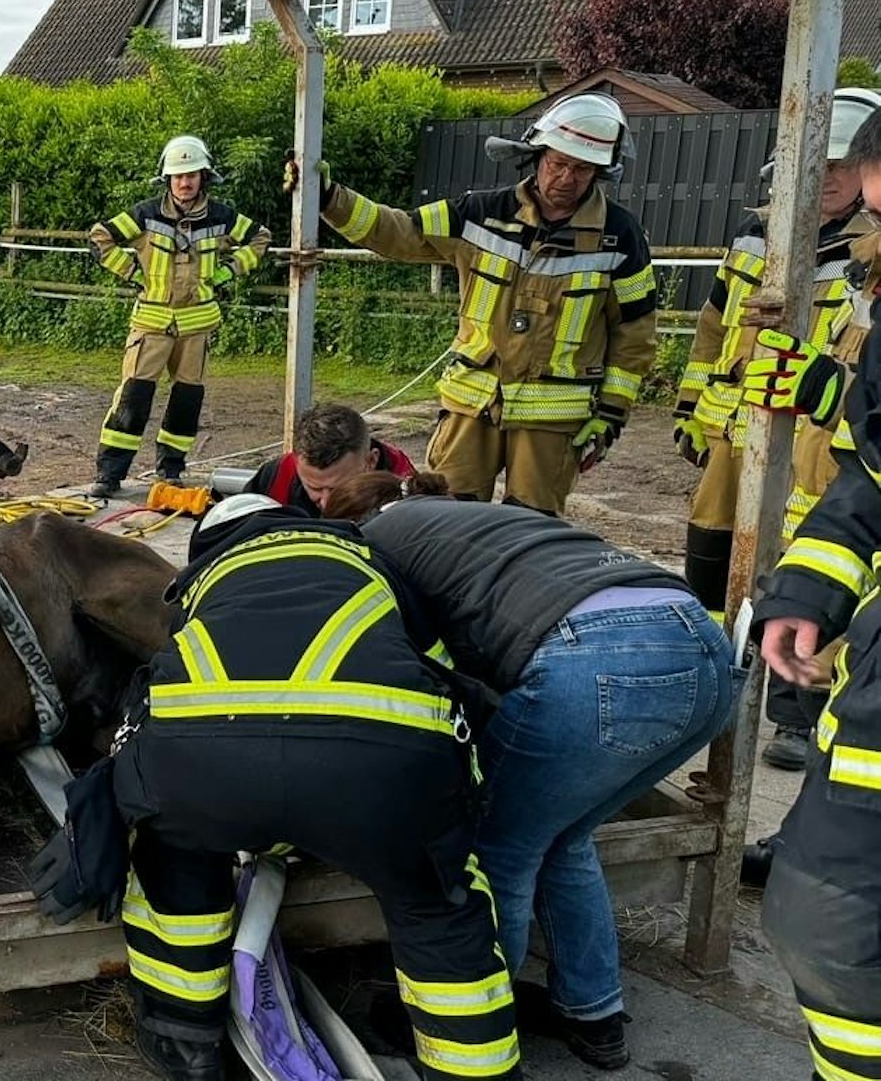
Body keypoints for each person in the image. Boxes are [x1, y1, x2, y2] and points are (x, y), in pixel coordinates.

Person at [94, 493, 517, 1081]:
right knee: (436, 902)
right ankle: (475, 1070)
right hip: (381, 768)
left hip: (206, 766)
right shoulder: (368, 559)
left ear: (208, 548)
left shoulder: (203, 581)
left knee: (173, 854)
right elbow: (442, 670)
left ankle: (185, 1045)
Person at [324, 472, 735, 1070]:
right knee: (562, 837)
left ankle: (474, 1034)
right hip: (700, 645)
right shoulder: (484, 520)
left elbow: (407, 664)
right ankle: (594, 1017)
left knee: (499, 849)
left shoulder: (376, 540)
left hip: (592, 658)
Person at [287, 94, 658, 516]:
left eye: (582, 168)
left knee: (528, 528)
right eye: (558, 163)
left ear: (600, 172)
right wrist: (330, 199)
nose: (567, 178)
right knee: (444, 516)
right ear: (536, 156)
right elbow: (400, 231)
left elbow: (636, 333)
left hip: (551, 419)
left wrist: (610, 416)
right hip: (470, 406)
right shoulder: (479, 212)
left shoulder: (620, 235)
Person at [678, 87, 881, 772]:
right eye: (812, 163)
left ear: (863, 170)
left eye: (839, 165)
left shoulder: (870, 252)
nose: (824, 177)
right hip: (735, 436)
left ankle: (794, 717)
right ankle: (703, 680)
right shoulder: (754, 234)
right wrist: (689, 407)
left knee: (809, 563)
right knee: (712, 559)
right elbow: (712, 329)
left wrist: (827, 392)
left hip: (818, 446)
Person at [753, 100, 881, 1081]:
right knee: (827, 915)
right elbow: (871, 462)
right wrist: (809, 590)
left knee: (832, 915)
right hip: (820, 494)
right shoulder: (853, 276)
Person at [91, 135, 271, 498]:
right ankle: (109, 475)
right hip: (151, 323)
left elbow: (260, 238)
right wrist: (131, 272)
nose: (184, 182)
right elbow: (100, 237)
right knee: (133, 398)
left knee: (186, 403)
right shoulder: (144, 214)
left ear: (204, 177)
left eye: (191, 175)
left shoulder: (222, 217)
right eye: (177, 176)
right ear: (167, 179)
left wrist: (227, 273)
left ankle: (170, 470)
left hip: (196, 326)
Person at [241, 402, 416, 518]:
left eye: (338, 488)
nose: (326, 503)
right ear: (296, 462)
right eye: (314, 488)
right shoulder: (275, 479)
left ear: (371, 461)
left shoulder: (404, 486)